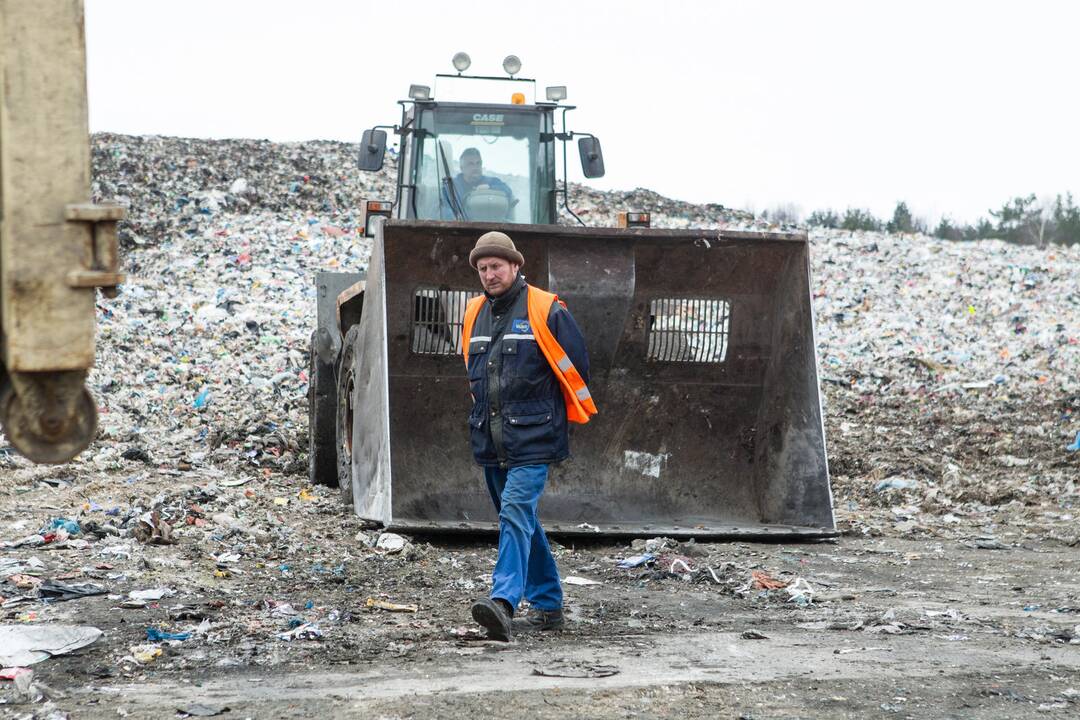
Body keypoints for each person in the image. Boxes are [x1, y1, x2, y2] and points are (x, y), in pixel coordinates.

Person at [460, 230, 596, 641]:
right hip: (492, 440)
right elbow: (476, 375)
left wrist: (553, 417)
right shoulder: (473, 314)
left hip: (534, 441)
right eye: (483, 269)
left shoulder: (546, 308)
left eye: (496, 266)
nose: (489, 275)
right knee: (524, 522)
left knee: (514, 514)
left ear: (515, 266)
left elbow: (577, 370)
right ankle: (549, 603)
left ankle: (503, 602)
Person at [442, 148, 516, 220]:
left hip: (490, 227)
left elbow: (507, 190)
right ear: (462, 168)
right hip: (461, 228)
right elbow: (445, 208)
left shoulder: (490, 182)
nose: (475, 167)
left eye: (478, 163)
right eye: (471, 164)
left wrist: (489, 187)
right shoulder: (451, 187)